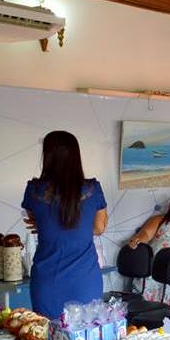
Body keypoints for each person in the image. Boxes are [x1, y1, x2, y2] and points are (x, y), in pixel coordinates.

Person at [22, 131, 107, 320]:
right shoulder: (93, 189)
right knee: (87, 338)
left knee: (47, 339)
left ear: (47, 156)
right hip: (85, 279)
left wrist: (52, 226)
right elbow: (100, 227)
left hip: (47, 279)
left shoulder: (34, 190)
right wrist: (80, 227)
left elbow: (36, 221)